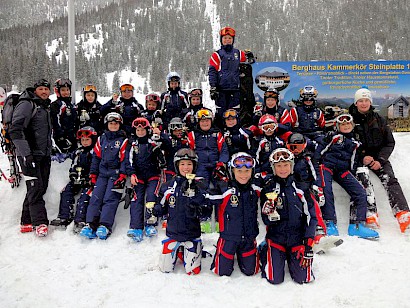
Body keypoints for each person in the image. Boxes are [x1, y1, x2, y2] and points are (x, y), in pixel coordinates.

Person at [349, 87, 410, 233]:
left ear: (370, 102)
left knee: (390, 179)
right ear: (356, 103)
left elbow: (390, 143)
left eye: (366, 100)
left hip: (378, 158)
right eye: (360, 101)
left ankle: (403, 214)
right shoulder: (349, 121)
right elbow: (346, 143)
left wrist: (380, 160)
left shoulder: (379, 120)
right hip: (359, 159)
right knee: (364, 181)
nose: (364, 103)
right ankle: (370, 215)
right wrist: (362, 157)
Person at [259, 148, 317, 284]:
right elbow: (266, 221)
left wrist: (308, 244)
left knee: (303, 279)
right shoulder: (268, 188)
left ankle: (291, 257)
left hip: (297, 240)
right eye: (278, 166)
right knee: (274, 279)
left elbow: (311, 217)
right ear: (273, 168)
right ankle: (265, 250)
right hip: (276, 239)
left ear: (291, 166)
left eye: (286, 165)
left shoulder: (301, 187)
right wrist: (268, 213)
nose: (282, 169)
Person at [319, 114, 379, 239]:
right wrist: (316, 166)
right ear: (337, 126)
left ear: (352, 126)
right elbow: (319, 151)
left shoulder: (355, 142)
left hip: (342, 170)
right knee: (326, 191)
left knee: (360, 192)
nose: (345, 126)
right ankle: (330, 224)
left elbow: (353, 160)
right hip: (327, 167)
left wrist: (351, 173)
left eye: (348, 124)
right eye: (342, 124)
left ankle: (356, 226)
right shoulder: (332, 137)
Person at [8, 79, 53, 237]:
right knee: (35, 188)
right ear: (35, 90)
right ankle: (40, 223)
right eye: (41, 89)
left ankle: (26, 221)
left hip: (43, 154)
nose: (44, 92)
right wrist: (26, 154)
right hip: (29, 154)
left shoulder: (44, 106)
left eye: (46, 89)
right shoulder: (27, 104)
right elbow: (15, 130)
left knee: (41, 186)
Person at [154, 148, 207, 275]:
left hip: (192, 234)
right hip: (173, 233)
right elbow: (160, 207)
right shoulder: (167, 186)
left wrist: (196, 201)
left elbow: (206, 211)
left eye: (189, 164)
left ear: (194, 166)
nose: (186, 167)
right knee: (164, 269)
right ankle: (177, 251)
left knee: (193, 272)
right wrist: (155, 209)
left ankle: (192, 250)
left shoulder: (200, 185)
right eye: (182, 164)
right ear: (177, 166)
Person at [210, 152, 261, 277]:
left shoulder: (256, 188)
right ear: (232, 171)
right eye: (239, 171)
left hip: (248, 237)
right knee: (222, 272)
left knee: (251, 271)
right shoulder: (224, 188)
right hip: (228, 237)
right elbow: (206, 197)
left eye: (247, 171)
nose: (243, 175)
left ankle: (263, 249)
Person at [79, 112, 128, 240]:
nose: (113, 126)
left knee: (109, 199)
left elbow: (124, 159)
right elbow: (96, 157)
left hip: (115, 174)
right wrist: (93, 174)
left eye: (115, 124)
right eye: (111, 123)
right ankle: (90, 224)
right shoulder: (102, 138)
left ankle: (105, 225)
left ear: (119, 125)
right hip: (102, 174)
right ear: (107, 125)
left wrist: (122, 174)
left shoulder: (123, 141)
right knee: (96, 197)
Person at [125, 117, 166, 241]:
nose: (140, 132)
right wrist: (132, 174)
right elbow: (129, 161)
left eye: (143, 130)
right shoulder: (133, 144)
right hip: (139, 176)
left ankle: (150, 223)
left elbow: (163, 148)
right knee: (136, 199)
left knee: (151, 196)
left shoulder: (153, 142)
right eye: (138, 130)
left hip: (153, 175)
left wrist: (159, 135)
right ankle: (136, 227)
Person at [50, 126, 97, 232]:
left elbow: (96, 167)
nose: (85, 142)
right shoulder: (78, 152)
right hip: (78, 179)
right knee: (66, 191)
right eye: (83, 140)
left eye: (87, 140)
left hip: (89, 180)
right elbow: (74, 165)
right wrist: (73, 175)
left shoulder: (95, 152)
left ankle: (80, 219)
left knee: (85, 196)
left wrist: (89, 178)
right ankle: (64, 216)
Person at [208, 26, 254, 127]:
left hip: (235, 90)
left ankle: (234, 135)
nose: (227, 40)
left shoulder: (237, 53)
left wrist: (250, 56)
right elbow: (212, 71)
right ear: (221, 40)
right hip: (221, 90)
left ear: (233, 40)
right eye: (225, 38)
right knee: (221, 114)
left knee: (234, 114)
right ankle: (221, 133)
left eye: (229, 38)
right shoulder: (217, 54)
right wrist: (213, 87)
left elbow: (249, 61)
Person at [50, 78, 77, 153]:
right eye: (63, 90)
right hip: (62, 140)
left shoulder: (71, 105)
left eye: (67, 90)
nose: (66, 92)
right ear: (58, 91)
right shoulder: (57, 105)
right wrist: (61, 137)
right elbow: (55, 122)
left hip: (72, 138)